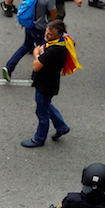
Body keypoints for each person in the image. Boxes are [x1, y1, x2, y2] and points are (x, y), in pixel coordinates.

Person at [20, 19, 79, 148]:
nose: (46, 36)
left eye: (49, 34)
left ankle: (39, 139)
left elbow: (36, 66)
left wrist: (36, 54)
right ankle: (61, 126)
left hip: (45, 84)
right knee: (46, 105)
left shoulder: (55, 50)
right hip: (48, 83)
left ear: (58, 35)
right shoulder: (60, 43)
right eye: (46, 32)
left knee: (42, 112)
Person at [4, 0, 59, 82]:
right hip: (40, 27)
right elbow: (54, 16)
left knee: (26, 45)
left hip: (29, 23)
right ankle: (35, 76)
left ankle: (9, 67)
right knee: (42, 51)